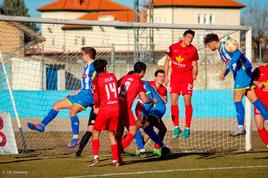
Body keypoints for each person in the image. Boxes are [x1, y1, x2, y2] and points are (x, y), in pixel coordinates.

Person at [27, 47, 97, 147]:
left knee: (72, 111)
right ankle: (41, 125)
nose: (82, 56)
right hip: (81, 93)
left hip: (88, 96)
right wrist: (75, 92)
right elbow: (86, 84)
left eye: (83, 54)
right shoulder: (87, 67)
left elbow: (99, 78)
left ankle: (75, 138)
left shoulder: (94, 66)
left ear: (88, 55)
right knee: (57, 105)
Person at [204, 33, 268, 136]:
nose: (208, 47)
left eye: (208, 45)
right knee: (254, 99)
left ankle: (241, 128)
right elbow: (232, 63)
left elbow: (238, 54)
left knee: (237, 99)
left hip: (242, 73)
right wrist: (224, 73)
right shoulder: (221, 51)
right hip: (243, 73)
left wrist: (227, 67)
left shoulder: (227, 45)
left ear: (213, 42)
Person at [116, 62, 155, 163]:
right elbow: (145, 99)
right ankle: (117, 153)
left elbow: (115, 85)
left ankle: (118, 159)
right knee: (133, 131)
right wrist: (153, 100)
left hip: (116, 106)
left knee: (119, 133)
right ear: (142, 72)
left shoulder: (126, 76)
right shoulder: (139, 82)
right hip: (125, 109)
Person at [164, 29, 199, 139]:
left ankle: (187, 128)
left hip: (187, 77)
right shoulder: (173, 47)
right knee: (173, 101)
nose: (190, 40)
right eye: (188, 38)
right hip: (175, 77)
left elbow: (194, 64)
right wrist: (166, 76)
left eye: (191, 38)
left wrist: (195, 74)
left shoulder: (193, 50)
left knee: (187, 100)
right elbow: (167, 61)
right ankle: (176, 127)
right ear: (184, 37)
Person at [89, 59, 120, 167]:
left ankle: (96, 158)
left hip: (105, 109)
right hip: (116, 108)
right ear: (105, 68)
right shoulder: (112, 76)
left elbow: (96, 97)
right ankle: (115, 160)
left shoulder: (96, 80)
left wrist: (96, 107)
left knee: (95, 132)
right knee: (111, 134)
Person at [252, 64, 268, 147]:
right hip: (260, 103)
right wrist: (257, 83)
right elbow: (250, 80)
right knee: (259, 126)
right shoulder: (259, 70)